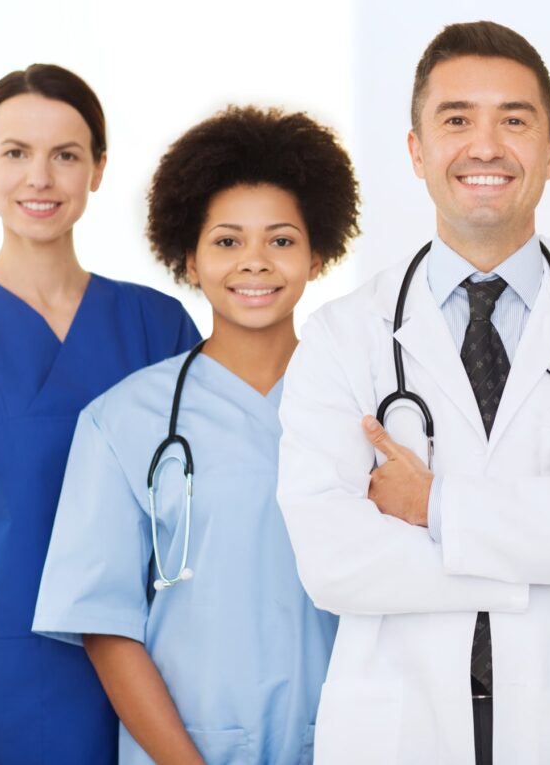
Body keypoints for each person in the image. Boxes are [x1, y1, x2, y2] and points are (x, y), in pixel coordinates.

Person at [277, 21, 550, 765]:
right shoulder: (343, 335)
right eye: (457, 119)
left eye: (514, 120)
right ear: (416, 150)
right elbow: (331, 559)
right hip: (401, 726)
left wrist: (433, 506)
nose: (486, 146)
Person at [32, 106, 360, 764]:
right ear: (189, 255)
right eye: (228, 241)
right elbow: (106, 627)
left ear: (318, 253)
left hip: (353, 743)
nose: (255, 264)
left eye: (282, 240)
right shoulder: (123, 421)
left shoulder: (362, 407)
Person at [0, 65, 200, 764]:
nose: (40, 179)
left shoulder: (157, 324)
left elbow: (208, 518)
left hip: (152, 680)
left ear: (99, 169)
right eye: (16, 153)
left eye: (66, 155)